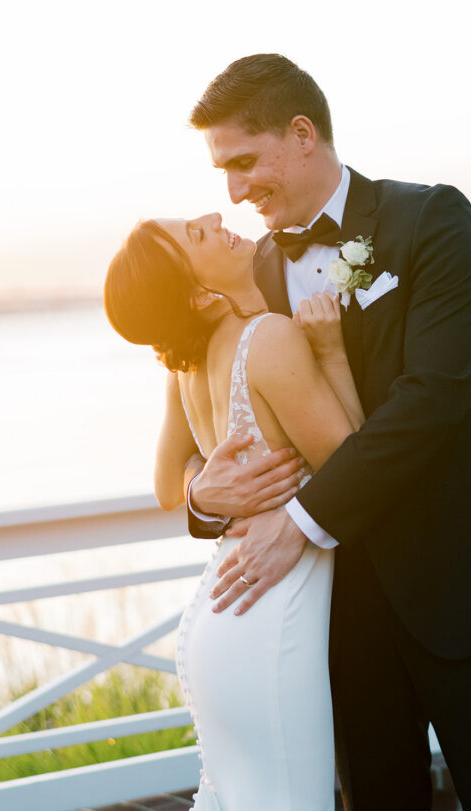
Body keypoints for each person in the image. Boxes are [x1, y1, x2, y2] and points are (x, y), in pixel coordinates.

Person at [184, 54, 471, 810]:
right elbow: (205, 426)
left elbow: (432, 397)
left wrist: (302, 519)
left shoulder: (430, 218)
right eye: (223, 173)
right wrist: (202, 497)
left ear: (302, 134)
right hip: (339, 615)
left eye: (243, 162)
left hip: (466, 579)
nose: (234, 194)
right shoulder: (253, 274)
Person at [104, 214, 365, 810]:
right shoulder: (270, 338)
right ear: (198, 294)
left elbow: (168, 486)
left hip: (219, 615)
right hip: (269, 611)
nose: (213, 217)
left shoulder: (185, 366)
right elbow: (354, 462)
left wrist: (201, 488)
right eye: (195, 234)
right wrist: (330, 350)